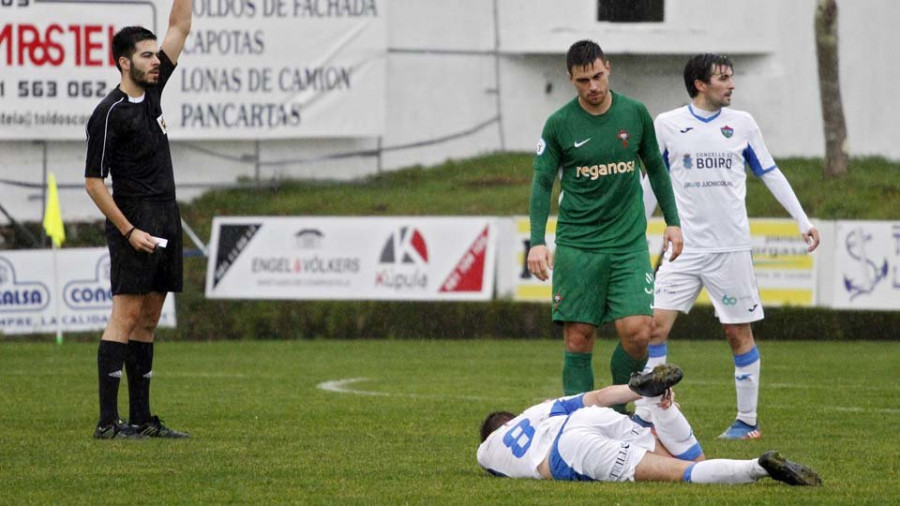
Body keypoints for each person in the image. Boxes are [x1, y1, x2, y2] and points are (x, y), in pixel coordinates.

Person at [638, 54, 821, 439]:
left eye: (731, 77)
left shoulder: (743, 124)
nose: (732, 84)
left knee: (738, 334)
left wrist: (803, 221)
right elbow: (653, 180)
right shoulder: (667, 124)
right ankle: (650, 414)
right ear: (700, 84)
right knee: (652, 327)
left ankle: (746, 421)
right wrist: (635, 232)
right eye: (723, 78)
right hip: (683, 249)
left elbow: (769, 172)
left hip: (731, 249)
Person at [527, 40, 683, 411]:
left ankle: (615, 408)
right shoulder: (559, 124)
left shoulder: (635, 113)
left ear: (608, 68)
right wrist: (536, 241)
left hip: (627, 244)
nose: (593, 86)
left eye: (597, 76)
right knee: (579, 338)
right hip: (579, 246)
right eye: (583, 80)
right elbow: (542, 183)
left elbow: (657, 169)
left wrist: (673, 222)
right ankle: (578, 423)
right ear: (571, 80)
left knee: (639, 334)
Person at [84, 0, 192, 439]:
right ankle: (108, 423)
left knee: (149, 319)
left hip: (167, 215)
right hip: (134, 221)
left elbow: (180, 25)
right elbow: (93, 182)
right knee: (125, 318)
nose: (156, 61)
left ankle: (143, 420)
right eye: (147, 56)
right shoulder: (109, 113)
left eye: (156, 55)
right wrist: (128, 231)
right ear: (124, 62)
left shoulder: (154, 92)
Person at [477, 364, 822, 486]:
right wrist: (632, 390)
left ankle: (757, 467)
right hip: (588, 419)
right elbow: (597, 397)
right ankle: (652, 399)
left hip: (566, 452)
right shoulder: (536, 411)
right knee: (693, 463)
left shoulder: (487, 450)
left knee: (681, 475)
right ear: (512, 417)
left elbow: (492, 462)